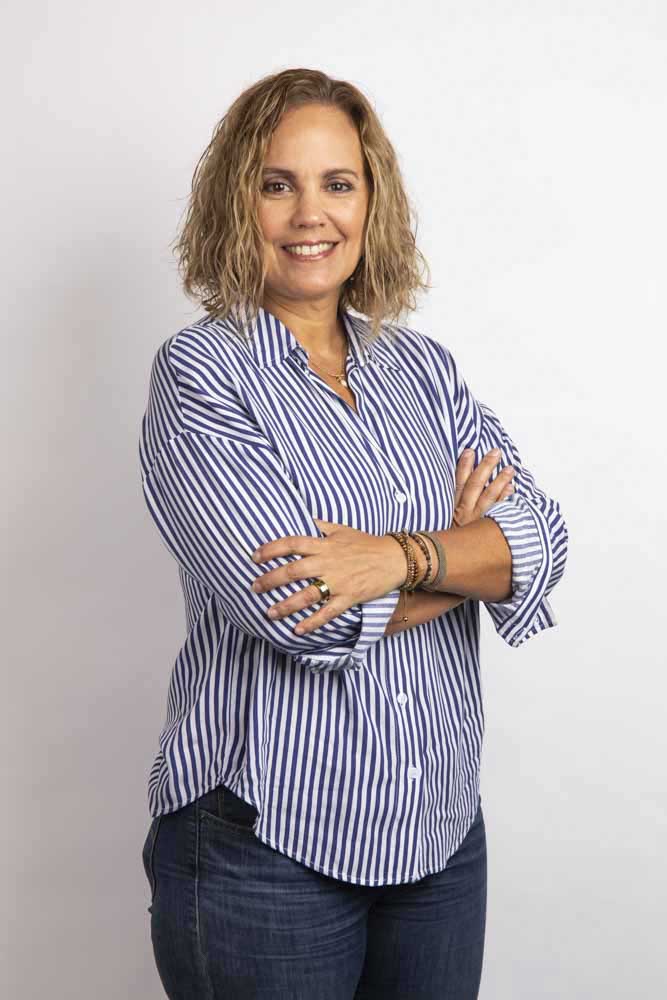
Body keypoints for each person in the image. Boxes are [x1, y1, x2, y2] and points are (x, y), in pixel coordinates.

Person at [139, 67, 568, 1000]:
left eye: (337, 183)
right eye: (276, 184)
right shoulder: (201, 374)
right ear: (236, 202)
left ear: (372, 203)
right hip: (265, 844)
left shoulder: (423, 369)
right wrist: (463, 554)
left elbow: (540, 540)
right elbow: (303, 613)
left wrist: (393, 558)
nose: (310, 215)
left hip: (439, 836)